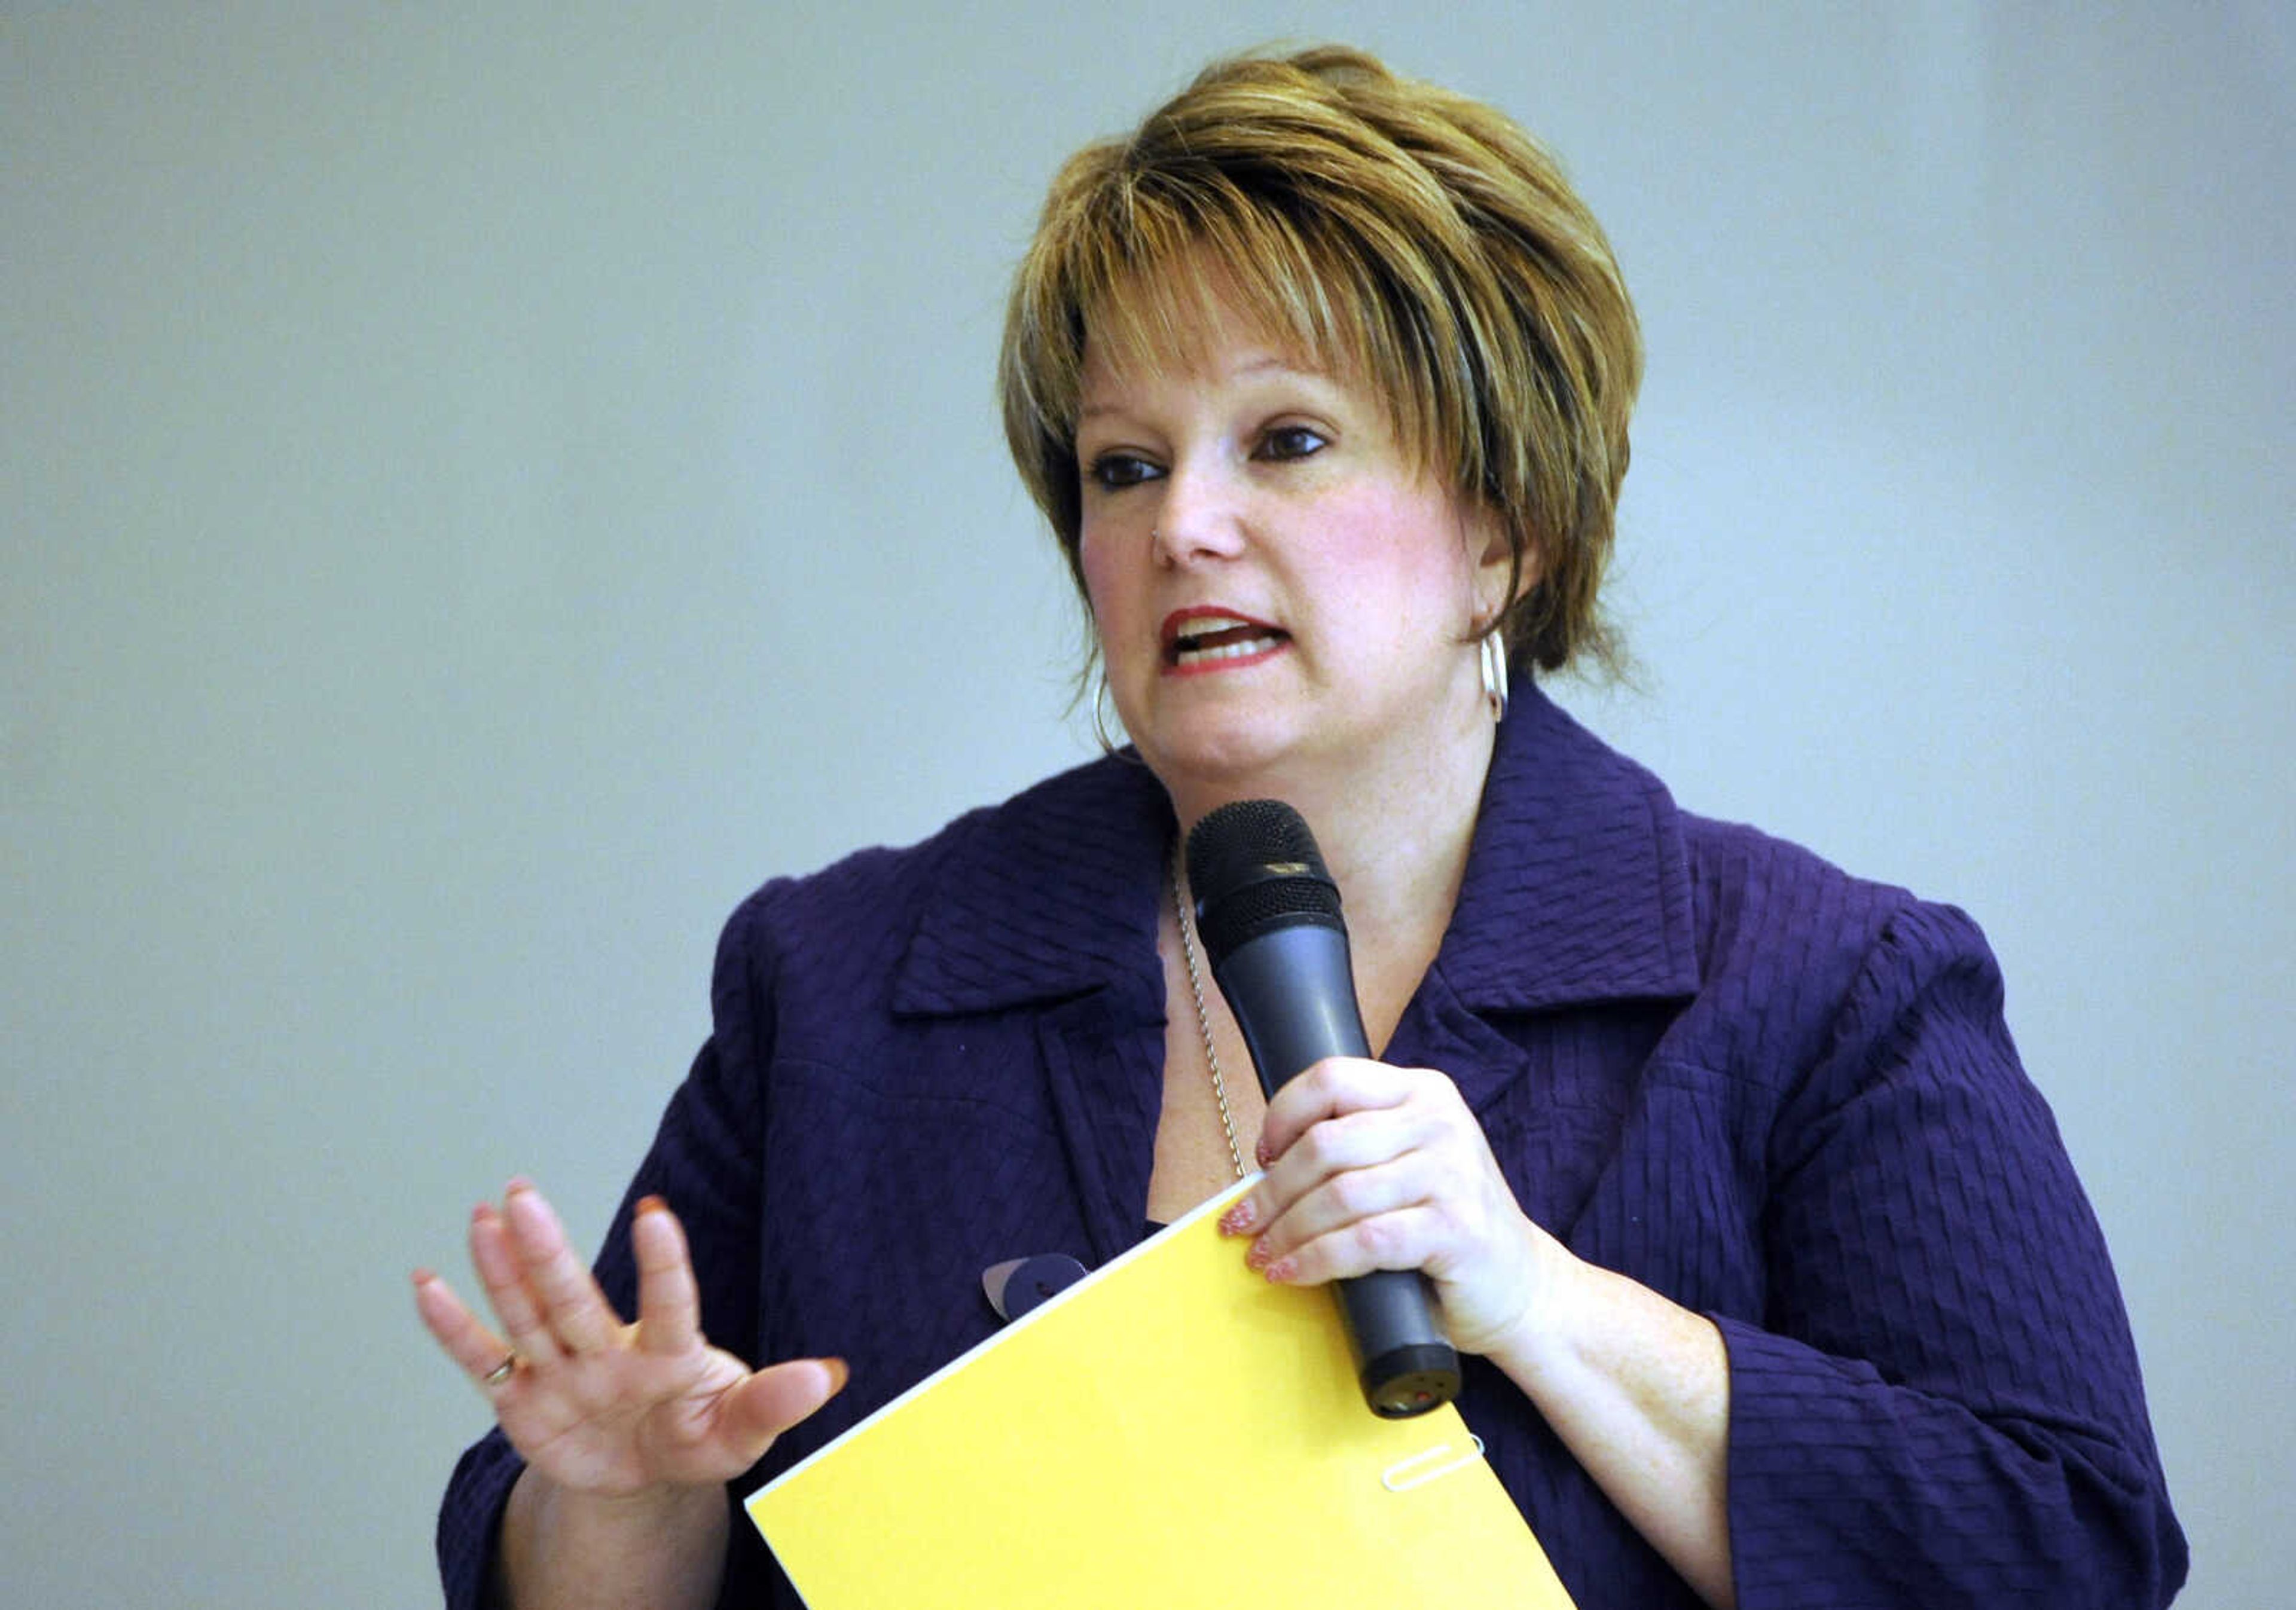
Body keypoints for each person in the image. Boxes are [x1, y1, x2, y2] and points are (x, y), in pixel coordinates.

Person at [415, 44, 2187, 1610]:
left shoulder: (1825, 987)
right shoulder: (840, 983)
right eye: (1125, 465)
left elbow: (2066, 1551)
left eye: (1285, 440)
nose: (1184, 524)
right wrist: (627, 1509)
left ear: (1508, 530)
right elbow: (601, 1552)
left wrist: (1541, 1305)